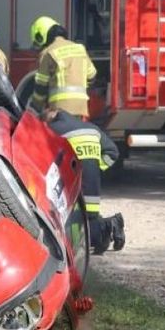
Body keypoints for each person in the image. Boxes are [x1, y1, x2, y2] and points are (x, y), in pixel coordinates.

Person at [45, 108, 125, 253]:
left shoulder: (54, 129)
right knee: (87, 221)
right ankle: (105, 231)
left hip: (76, 184)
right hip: (92, 185)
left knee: (75, 231)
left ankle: (110, 225)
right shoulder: (92, 128)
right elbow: (113, 152)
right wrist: (97, 167)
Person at [28, 16, 96, 119]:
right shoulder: (79, 49)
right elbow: (92, 76)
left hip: (58, 112)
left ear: (41, 37)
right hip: (81, 110)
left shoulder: (48, 53)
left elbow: (40, 89)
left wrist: (33, 109)